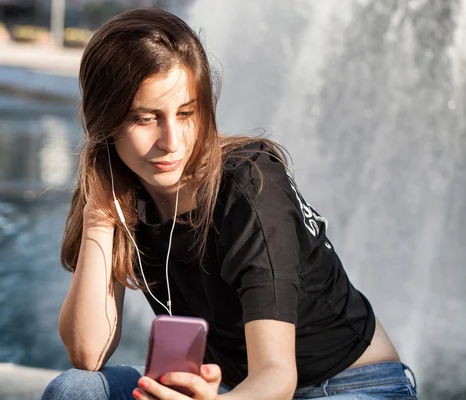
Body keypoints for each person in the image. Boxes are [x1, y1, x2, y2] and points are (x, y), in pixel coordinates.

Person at [41, 7, 418, 400]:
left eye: (187, 113)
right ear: (105, 122)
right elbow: (87, 353)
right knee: (76, 390)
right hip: (233, 387)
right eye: (145, 118)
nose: (172, 141)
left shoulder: (250, 184)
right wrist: (101, 215)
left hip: (351, 384)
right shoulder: (123, 192)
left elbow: (276, 375)